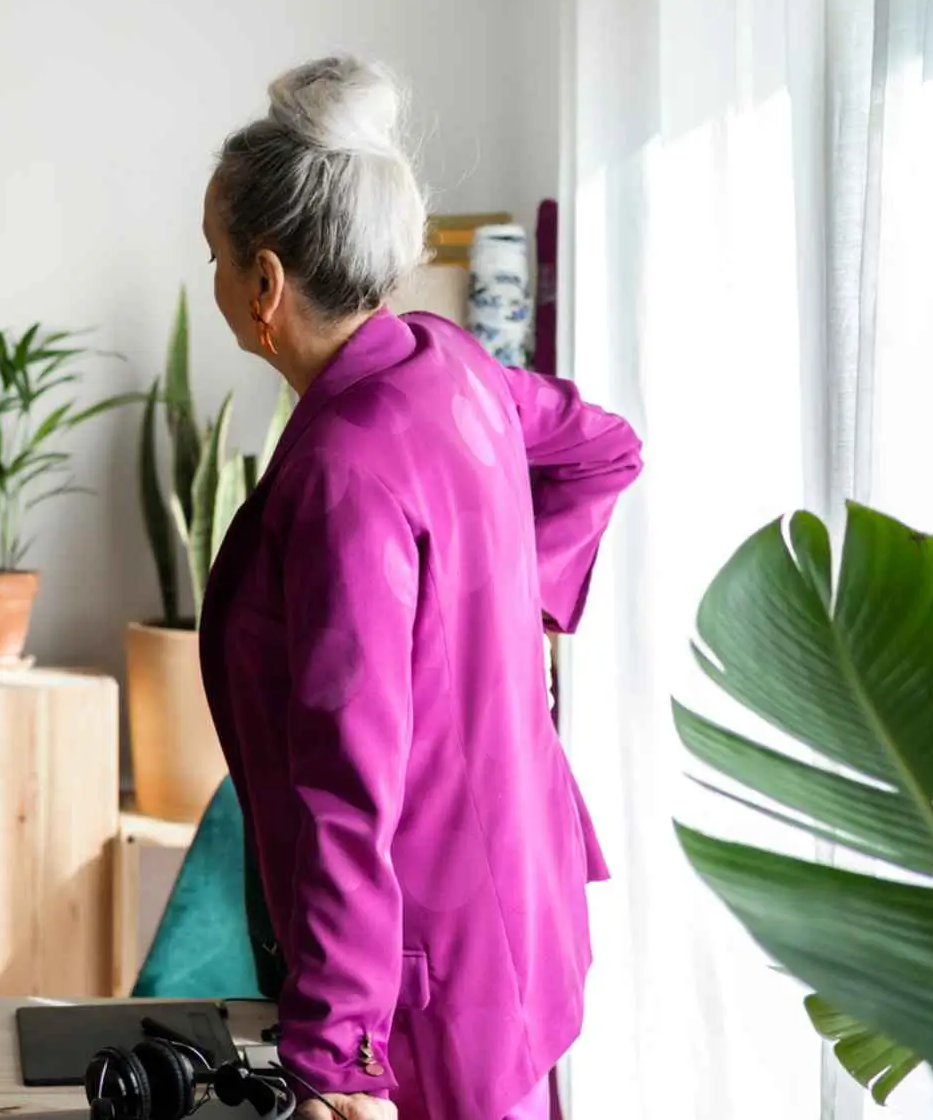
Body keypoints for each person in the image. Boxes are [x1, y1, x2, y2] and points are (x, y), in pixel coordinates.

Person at [198, 57, 643, 1120]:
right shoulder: (450, 366)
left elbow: (349, 786)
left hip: (420, 1001)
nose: (209, 279)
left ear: (264, 286)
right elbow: (601, 450)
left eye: (212, 257)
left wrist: (338, 1060)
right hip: (513, 949)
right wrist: (502, 615)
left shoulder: (343, 474)